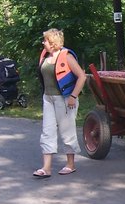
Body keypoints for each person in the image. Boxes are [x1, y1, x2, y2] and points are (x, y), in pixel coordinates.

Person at [34, 28, 87, 178]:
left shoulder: (67, 56)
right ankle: (46, 168)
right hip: (48, 98)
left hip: (64, 99)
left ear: (52, 42)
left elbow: (82, 77)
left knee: (67, 131)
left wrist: (73, 96)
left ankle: (70, 164)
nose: (43, 42)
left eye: (45, 40)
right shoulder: (45, 56)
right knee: (47, 132)